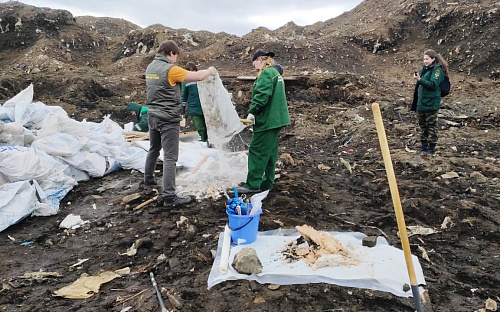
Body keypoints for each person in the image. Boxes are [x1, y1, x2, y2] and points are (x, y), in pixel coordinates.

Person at [144, 40, 216, 206]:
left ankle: (148, 181)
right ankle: (169, 196)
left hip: (153, 115)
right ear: (171, 53)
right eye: (176, 56)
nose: (176, 60)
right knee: (170, 157)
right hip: (168, 119)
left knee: (154, 149)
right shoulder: (171, 70)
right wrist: (211, 70)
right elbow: (198, 76)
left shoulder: (150, 67)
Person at [237, 49, 290, 194]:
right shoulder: (275, 73)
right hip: (277, 119)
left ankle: (253, 184)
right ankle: (267, 182)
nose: (254, 67)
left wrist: (252, 113)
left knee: (257, 150)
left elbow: (262, 95)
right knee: (270, 151)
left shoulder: (267, 73)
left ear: (260, 60)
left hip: (268, 120)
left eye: (254, 63)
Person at [412, 49, 448, 155]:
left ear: (433, 59)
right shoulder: (425, 69)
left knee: (431, 126)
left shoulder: (437, 71)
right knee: (422, 125)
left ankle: (431, 148)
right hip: (422, 103)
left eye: (427, 59)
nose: (425, 61)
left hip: (431, 103)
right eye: (424, 59)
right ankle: (424, 146)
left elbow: (433, 85)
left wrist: (420, 80)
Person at [181, 62, 208, 143]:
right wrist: (182, 110)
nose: (192, 73)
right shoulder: (186, 82)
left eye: (194, 71)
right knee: (200, 127)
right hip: (194, 109)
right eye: (190, 71)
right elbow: (183, 96)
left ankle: (208, 142)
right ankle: (204, 141)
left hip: (205, 108)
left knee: (208, 127)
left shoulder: (202, 80)